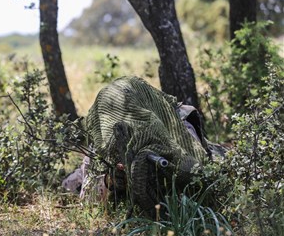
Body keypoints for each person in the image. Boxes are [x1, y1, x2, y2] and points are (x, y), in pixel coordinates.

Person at [62, 76, 227, 216]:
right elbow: (89, 199)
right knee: (70, 185)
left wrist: (165, 170)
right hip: (105, 177)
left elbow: (199, 172)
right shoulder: (106, 141)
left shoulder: (178, 126)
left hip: (199, 159)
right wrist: (111, 181)